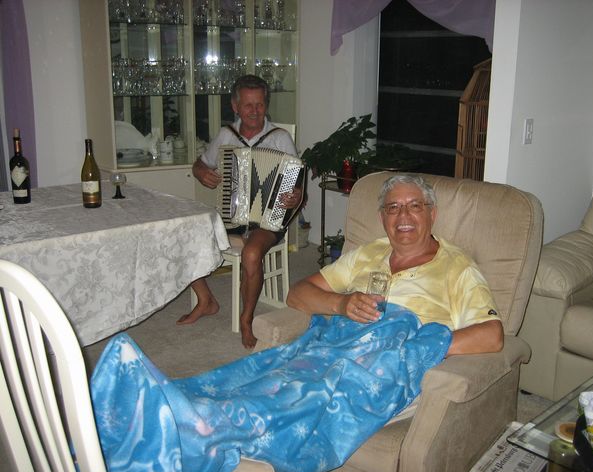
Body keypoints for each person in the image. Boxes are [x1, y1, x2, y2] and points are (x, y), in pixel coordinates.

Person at [287, 174, 504, 356]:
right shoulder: (367, 253)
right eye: (393, 207)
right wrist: (342, 304)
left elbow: (492, 335)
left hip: (386, 370)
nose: (403, 215)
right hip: (336, 351)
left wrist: (412, 350)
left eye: (415, 206)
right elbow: (297, 295)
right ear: (383, 218)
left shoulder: (457, 266)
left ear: (432, 214)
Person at [181, 74, 302, 349]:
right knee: (186, 235)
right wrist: (202, 173)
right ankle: (206, 300)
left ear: (266, 104)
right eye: (248, 105)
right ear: (235, 106)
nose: (255, 111)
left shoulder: (280, 138)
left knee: (251, 253)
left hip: (268, 218)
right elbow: (200, 164)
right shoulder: (227, 135)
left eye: (260, 104)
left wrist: (294, 196)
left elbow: (297, 185)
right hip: (231, 213)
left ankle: (246, 319)